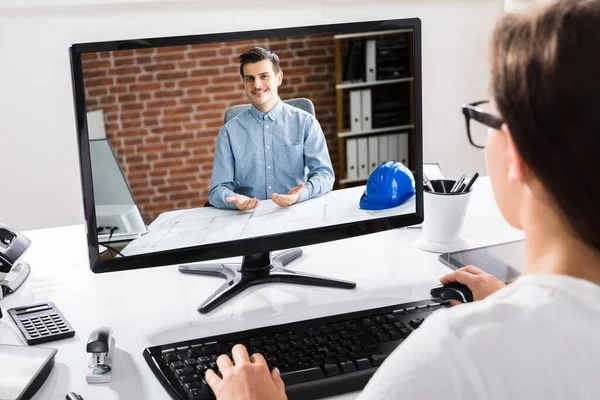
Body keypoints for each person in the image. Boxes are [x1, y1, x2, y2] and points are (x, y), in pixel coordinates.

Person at [204, 1, 600, 398]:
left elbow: (323, 176)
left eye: (487, 116)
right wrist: (517, 309)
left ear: (517, 153)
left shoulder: (452, 354)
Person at [208, 47, 335, 211]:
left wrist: (299, 196)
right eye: (249, 79)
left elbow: (324, 175)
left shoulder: (306, 123)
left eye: (264, 76)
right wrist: (234, 200)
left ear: (279, 78)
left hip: (296, 211)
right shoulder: (228, 133)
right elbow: (217, 190)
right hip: (248, 217)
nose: (257, 84)